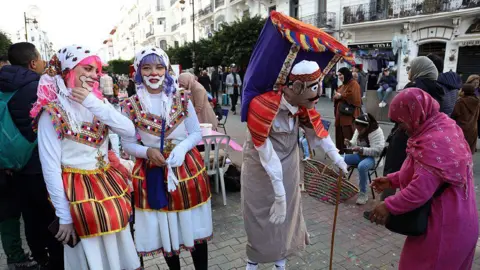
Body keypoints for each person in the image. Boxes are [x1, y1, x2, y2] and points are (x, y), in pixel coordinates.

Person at [240, 12, 351, 269]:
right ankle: (253, 262)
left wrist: (338, 159)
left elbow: (319, 133)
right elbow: (265, 154)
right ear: (297, 88)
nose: (317, 98)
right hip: (260, 170)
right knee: (259, 218)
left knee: (287, 218)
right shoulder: (261, 106)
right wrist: (277, 195)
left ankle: (280, 261)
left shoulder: (303, 105)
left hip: (288, 169)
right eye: (313, 90)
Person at [32, 45, 140, 269]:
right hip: (78, 195)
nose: (94, 75)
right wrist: (64, 217)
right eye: (87, 69)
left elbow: (129, 130)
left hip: (108, 186)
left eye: (96, 70)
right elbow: (50, 167)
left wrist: (92, 102)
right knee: (90, 255)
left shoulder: (98, 105)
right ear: (69, 70)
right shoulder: (51, 113)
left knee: (119, 245)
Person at [120, 47, 212, 270]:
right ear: (139, 71)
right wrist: (146, 152)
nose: (154, 73)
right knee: (166, 228)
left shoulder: (182, 97)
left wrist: (181, 149)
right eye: (147, 67)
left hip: (186, 168)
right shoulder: (129, 105)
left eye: (159, 67)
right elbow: (127, 144)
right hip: (153, 170)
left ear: (166, 70)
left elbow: (196, 132)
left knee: (194, 225)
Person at [370, 88, 478, 270]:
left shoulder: (433, 141)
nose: (401, 129)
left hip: (444, 228)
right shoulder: (443, 126)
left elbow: (421, 189)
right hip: (462, 220)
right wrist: (392, 180)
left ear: (415, 113)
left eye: (401, 123)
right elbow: (427, 172)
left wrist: (388, 205)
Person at [0, 42, 64, 269]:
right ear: (33, 62)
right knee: (51, 214)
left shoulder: (3, 87)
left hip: (14, 166)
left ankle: (39, 257)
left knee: (29, 216)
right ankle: (56, 260)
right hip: (40, 164)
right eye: (40, 58)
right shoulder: (39, 87)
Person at [380, 56, 446, 201]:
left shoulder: (414, 87)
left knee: (393, 169)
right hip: (426, 138)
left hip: (404, 136)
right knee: (413, 173)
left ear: (418, 69)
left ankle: (386, 206)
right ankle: (404, 205)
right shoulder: (439, 89)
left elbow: (396, 116)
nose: (408, 71)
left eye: (410, 68)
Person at [344, 113, 385, 205]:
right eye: (356, 128)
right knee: (340, 159)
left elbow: (378, 151)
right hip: (360, 155)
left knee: (362, 166)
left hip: (372, 158)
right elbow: (354, 142)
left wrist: (362, 149)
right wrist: (350, 143)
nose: (358, 131)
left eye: (360, 129)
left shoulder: (376, 132)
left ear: (366, 127)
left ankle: (363, 194)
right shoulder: (359, 127)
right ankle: (341, 185)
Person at [334, 67, 362, 153]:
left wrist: (341, 96)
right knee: (339, 136)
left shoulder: (354, 84)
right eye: (338, 75)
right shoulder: (342, 85)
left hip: (348, 116)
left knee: (348, 135)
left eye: (341, 74)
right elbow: (336, 95)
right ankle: (341, 154)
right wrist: (336, 96)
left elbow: (354, 97)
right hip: (340, 116)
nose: (339, 77)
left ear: (346, 74)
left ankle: (350, 156)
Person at [451, 84, 479, 153]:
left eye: (461, 90)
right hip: (473, 129)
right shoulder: (477, 102)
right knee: (469, 151)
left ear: (464, 91)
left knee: (460, 151)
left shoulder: (461, 102)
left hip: (461, 129)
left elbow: (454, 115)